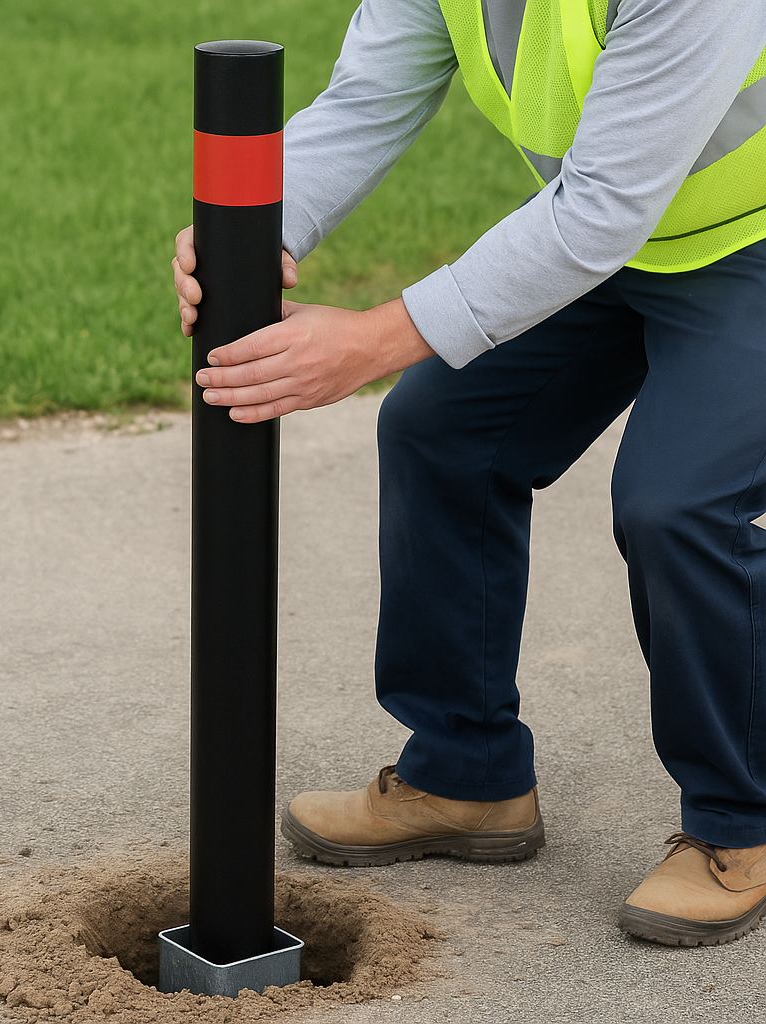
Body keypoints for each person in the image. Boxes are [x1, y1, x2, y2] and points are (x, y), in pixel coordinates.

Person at [173, 0, 766, 946]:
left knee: (678, 501)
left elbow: (599, 211)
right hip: (626, 233)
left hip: (746, 243)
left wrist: (370, 340)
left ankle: (744, 824)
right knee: (438, 430)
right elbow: (367, 99)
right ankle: (466, 772)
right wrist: (249, 235)